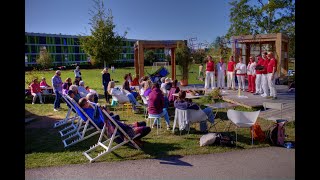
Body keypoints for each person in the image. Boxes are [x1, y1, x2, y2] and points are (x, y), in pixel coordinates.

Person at [78, 97, 151, 145]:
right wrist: (103, 111)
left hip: (108, 123)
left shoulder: (86, 110)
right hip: (107, 124)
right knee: (146, 127)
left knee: (117, 120)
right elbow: (98, 118)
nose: (89, 103)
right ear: (84, 105)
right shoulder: (88, 111)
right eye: (87, 102)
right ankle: (131, 132)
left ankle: (131, 127)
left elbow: (98, 117)